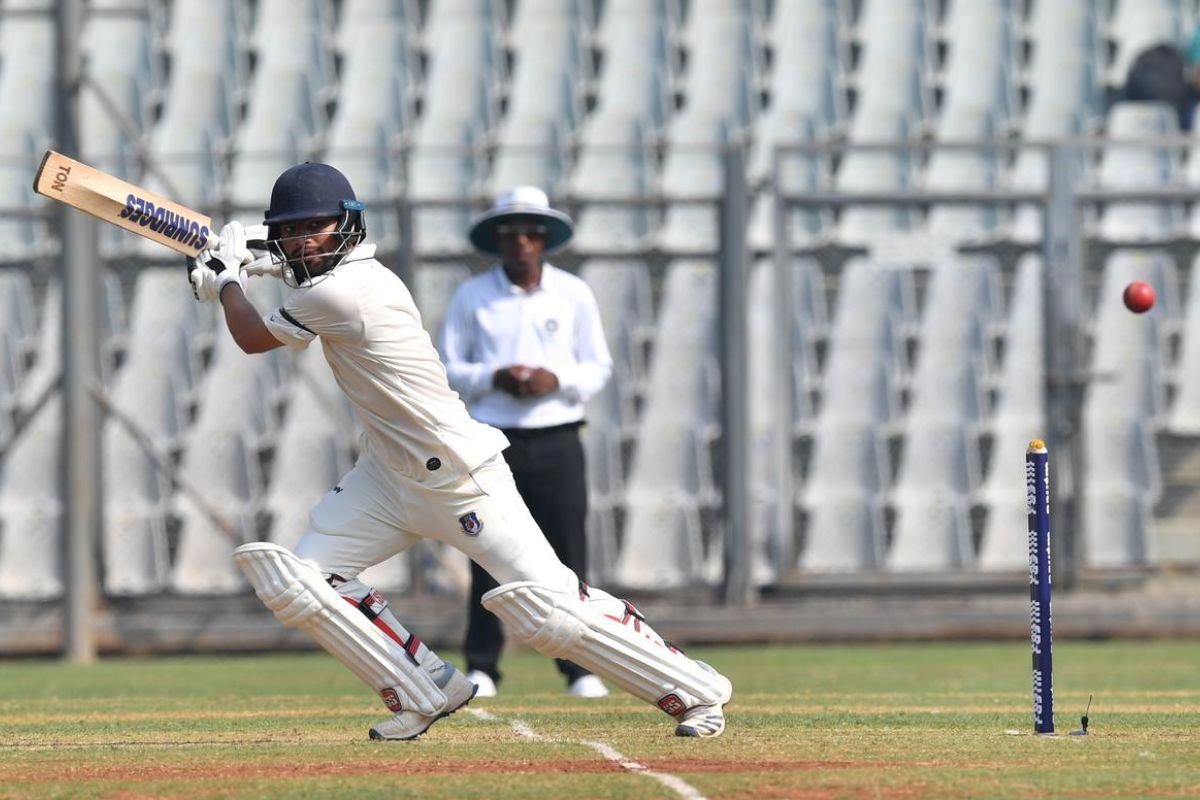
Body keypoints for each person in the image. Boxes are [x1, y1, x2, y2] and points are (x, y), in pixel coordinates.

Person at [186, 162, 732, 740]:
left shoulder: (347, 291)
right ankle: (424, 689)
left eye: (315, 228)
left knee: (550, 609)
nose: (303, 241)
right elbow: (302, 271)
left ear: (348, 225)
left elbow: (251, 336)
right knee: (304, 582)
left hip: (457, 476)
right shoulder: (330, 280)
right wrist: (255, 262)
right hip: (386, 477)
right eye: (292, 231)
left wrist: (228, 280)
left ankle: (696, 691)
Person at [439, 187, 613, 700]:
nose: (521, 243)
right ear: (498, 240)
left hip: (559, 435)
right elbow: (448, 366)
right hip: (495, 439)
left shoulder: (573, 293)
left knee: (567, 553)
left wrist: (554, 380)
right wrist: (495, 377)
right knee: (487, 547)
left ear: (544, 240)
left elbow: (597, 366)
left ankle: (579, 666)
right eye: (510, 234)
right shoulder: (473, 294)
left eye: (531, 233)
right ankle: (482, 666)